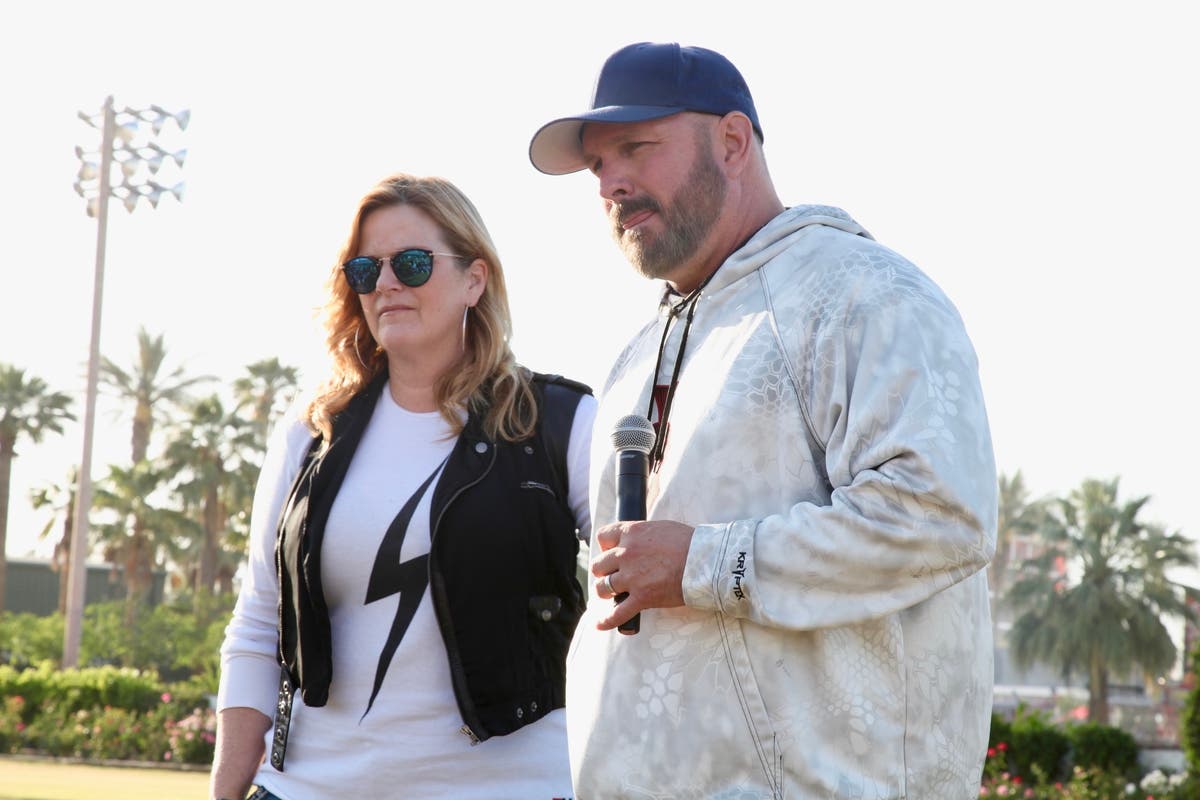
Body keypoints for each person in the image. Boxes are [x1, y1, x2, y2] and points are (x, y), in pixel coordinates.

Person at [528, 42, 997, 799]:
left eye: (636, 147)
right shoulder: (637, 355)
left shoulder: (864, 293)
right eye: (597, 166)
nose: (612, 182)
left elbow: (940, 516)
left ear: (732, 141)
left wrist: (702, 564)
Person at [209, 173, 596, 800]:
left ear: (475, 279)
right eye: (366, 270)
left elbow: (637, 593)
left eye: (412, 263)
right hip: (308, 787)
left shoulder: (561, 423)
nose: (386, 283)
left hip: (511, 787)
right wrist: (225, 791)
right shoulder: (310, 436)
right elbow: (258, 625)